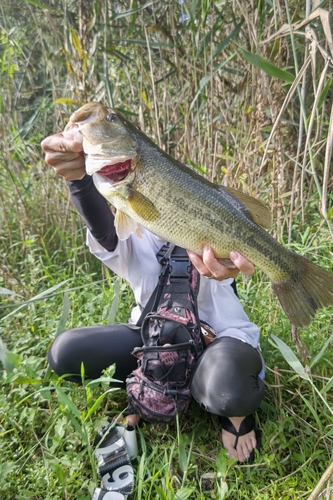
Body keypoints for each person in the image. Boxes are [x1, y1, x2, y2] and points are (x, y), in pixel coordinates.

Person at [41, 131, 265, 465]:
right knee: (64, 354)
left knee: (226, 388)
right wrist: (78, 179)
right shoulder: (132, 226)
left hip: (218, 338)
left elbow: (230, 265)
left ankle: (230, 411)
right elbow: (105, 234)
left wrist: (229, 266)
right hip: (154, 339)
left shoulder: (208, 226)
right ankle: (154, 382)